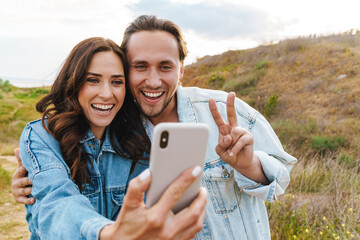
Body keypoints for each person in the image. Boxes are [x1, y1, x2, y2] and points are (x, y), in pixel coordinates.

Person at [13, 15, 297, 239]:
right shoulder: (125, 135)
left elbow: (280, 179)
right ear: (128, 72)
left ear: (181, 69)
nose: (152, 81)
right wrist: (34, 184)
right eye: (140, 67)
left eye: (165, 66)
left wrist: (249, 165)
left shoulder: (223, 110)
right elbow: (57, 201)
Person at [14, 37, 207, 240]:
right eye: (93, 80)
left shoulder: (138, 143)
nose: (106, 94)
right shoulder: (41, 136)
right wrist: (108, 233)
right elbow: (56, 202)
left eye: (117, 82)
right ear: (74, 82)